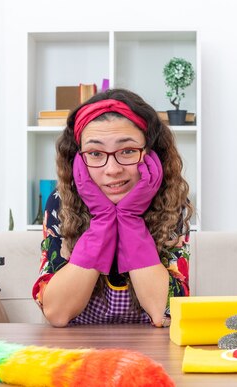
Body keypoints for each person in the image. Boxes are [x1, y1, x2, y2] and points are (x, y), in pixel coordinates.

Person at [32, 88, 193, 328]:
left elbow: (166, 314)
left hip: (152, 355)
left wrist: (129, 219)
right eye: (95, 153)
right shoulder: (61, 202)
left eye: (127, 151)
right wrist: (104, 219)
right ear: (78, 160)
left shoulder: (170, 202)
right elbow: (57, 313)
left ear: (151, 154)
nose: (112, 169)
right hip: (80, 353)